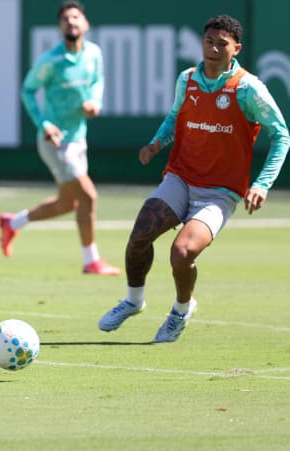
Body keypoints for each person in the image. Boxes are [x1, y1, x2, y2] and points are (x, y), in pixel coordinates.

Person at [98, 14, 289, 342]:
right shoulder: (187, 79)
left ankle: (181, 310)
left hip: (220, 192)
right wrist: (157, 143)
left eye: (222, 44)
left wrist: (261, 184)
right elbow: (175, 116)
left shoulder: (247, 88)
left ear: (236, 48)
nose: (213, 48)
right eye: (208, 41)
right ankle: (133, 301)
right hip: (181, 177)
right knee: (140, 233)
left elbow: (281, 134)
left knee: (182, 253)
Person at [0, 1, 120, 276]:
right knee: (88, 196)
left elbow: (98, 81)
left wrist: (95, 101)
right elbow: (28, 90)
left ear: (85, 24)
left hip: (79, 139)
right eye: (66, 19)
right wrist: (44, 123)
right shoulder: (50, 60)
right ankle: (91, 261)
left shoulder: (93, 54)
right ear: (60, 26)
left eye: (76, 17)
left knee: (68, 203)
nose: (71, 22)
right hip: (56, 142)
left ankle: (12, 223)